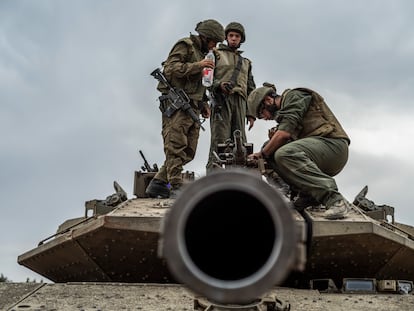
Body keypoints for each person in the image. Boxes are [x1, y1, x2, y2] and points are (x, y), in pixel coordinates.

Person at [247, 83, 351, 219]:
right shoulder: (286, 110)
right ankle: (308, 195)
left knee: (283, 153)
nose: (265, 118)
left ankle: (335, 200)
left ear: (268, 100)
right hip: (318, 151)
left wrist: (261, 154)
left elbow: (283, 133)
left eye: (261, 114)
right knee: (272, 150)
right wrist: (264, 154)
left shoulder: (295, 97)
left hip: (334, 147)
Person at [146, 19, 225, 198]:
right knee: (176, 145)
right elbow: (170, 69)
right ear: (205, 37)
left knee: (189, 151)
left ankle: (158, 183)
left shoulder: (205, 54)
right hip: (177, 105)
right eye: (214, 41)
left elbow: (199, 83)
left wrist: (204, 103)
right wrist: (198, 65)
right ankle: (175, 186)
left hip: (193, 105)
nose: (215, 45)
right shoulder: (186, 45)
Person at [205, 22, 256, 172]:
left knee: (240, 144)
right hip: (221, 100)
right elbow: (206, 79)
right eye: (231, 35)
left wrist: (251, 113)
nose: (234, 38)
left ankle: (240, 181)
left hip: (240, 101)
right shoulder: (215, 54)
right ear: (226, 37)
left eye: (237, 36)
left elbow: (251, 88)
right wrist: (219, 85)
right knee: (219, 142)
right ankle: (213, 180)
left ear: (241, 39)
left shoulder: (246, 63)